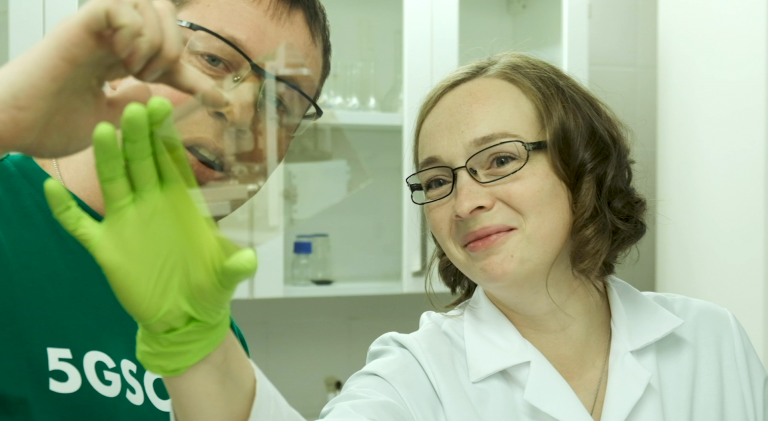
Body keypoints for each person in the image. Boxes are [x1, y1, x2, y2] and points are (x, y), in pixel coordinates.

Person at [60, 51, 767, 420]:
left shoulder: (712, 341)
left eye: (499, 160)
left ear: (583, 164)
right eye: (436, 179)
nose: (465, 200)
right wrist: (196, 345)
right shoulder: (415, 375)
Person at [0, 0, 330, 419]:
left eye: (281, 103)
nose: (242, 114)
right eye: (214, 60)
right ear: (121, 58)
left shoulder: (209, 334)